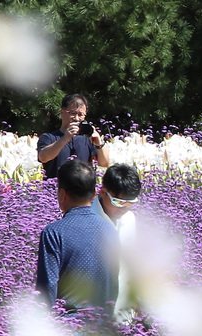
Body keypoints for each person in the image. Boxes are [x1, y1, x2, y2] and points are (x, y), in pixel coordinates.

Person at [35, 160, 118, 314]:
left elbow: (47, 290)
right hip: (102, 326)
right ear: (94, 194)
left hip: (68, 326)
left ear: (61, 194)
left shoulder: (54, 233)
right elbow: (113, 284)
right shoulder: (110, 229)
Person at [95, 163, 141, 318]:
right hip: (93, 312)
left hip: (123, 312)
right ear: (102, 192)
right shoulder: (86, 219)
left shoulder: (130, 219)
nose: (124, 208)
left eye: (131, 203)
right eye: (119, 202)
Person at [37, 94, 110, 179]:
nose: (76, 118)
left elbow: (104, 163)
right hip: (56, 189)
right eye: (73, 113)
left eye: (80, 115)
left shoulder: (87, 138)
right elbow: (43, 157)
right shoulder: (49, 137)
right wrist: (65, 138)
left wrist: (98, 142)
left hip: (83, 190)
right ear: (62, 112)